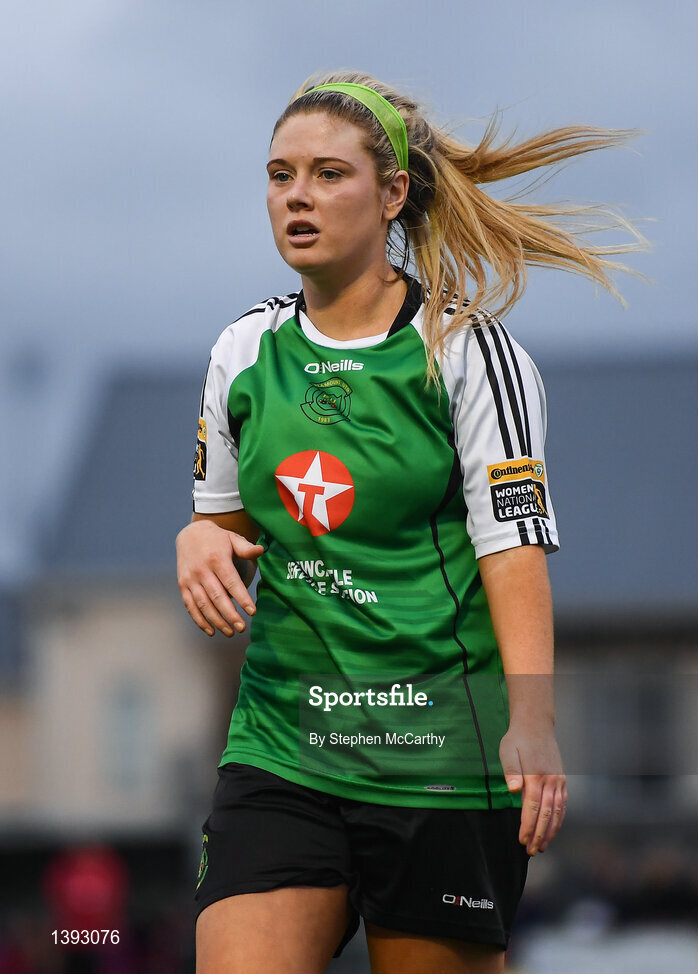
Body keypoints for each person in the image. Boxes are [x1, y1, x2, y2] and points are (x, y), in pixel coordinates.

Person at [176, 71, 644, 974]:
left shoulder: (469, 352)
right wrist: (196, 537)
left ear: (393, 193)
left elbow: (513, 550)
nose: (297, 197)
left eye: (326, 174)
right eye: (280, 176)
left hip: (439, 751)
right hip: (286, 743)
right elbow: (230, 543)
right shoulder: (241, 353)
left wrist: (534, 722)